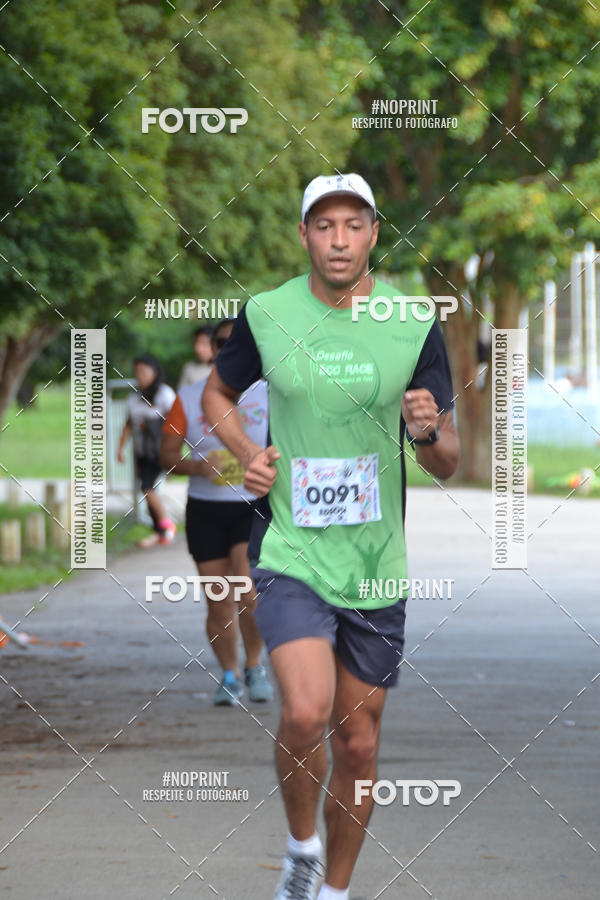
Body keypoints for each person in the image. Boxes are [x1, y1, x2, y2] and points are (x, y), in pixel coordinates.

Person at [202, 173, 459, 900]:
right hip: (291, 550)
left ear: (374, 233)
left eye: (353, 225)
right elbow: (218, 393)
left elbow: (447, 460)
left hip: (376, 564)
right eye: (324, 225)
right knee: (306, 711)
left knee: (358, 742)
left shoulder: (413, 321)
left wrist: (427, 430)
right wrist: (245, 455)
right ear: (304, 235)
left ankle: (335, 892)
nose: (339, 240)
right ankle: (301, 848)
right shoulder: (268, 312)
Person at [161, 318, 273, 706]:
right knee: (219, 599)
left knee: (247, 590)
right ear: (211, 348)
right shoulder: (189, 397)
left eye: (236, 341)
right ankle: (229, 675)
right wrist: (197, 466)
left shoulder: (269, 393)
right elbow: (167, 456)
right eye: (221, 342)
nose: (228, 348)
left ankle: (255, 665)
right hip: (206, 509)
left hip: (252, 506)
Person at [117, 354, 177, 548]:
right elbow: (128, 424)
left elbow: (176, 421)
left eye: (143, 371)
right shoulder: (134, 398)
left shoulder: (165, 394)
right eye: (137, 372)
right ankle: (160, 531)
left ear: (155, 372)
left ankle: (167, 525)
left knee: (147, 487)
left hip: (160, 450)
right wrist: (120, 449)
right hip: (143, 452)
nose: (140, 376)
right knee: (147, 489)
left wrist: (152, 425)